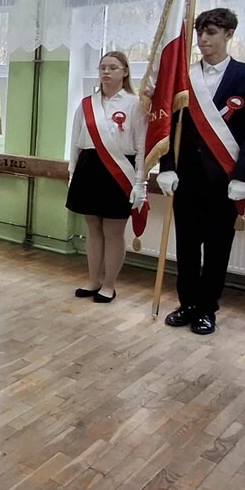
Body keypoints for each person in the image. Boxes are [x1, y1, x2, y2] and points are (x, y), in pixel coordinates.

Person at [157, 8, 245, 336]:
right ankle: (187, 304)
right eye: (200, 33)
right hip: (187, 178)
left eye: (212, 33)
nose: (203, 39)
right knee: (187, 247)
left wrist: (243, 176)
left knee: (217, 248)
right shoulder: (183, 77)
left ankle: (207, 309)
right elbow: (169, 126)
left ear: (229, 34)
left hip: (224, 179)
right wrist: (167, 167)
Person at [66, 52, 147, 304]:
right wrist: (72, 172)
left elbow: (142, 146)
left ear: (125, 72)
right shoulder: (86, 104)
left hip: (119, 171)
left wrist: (140, 182)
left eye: (113, 67)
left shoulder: (135, 104)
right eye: (103, 67)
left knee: (113, 231)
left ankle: (109, 285)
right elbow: (75, 141)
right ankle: (93, 280)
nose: (106, 72)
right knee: (92, 229)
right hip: (89, 168)